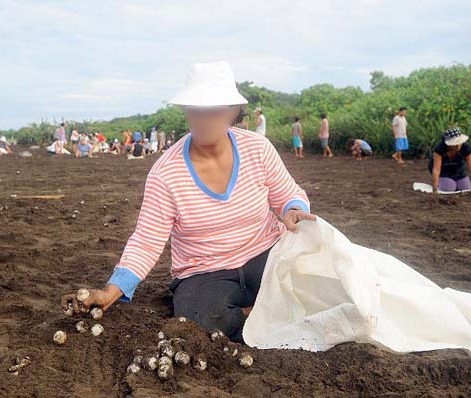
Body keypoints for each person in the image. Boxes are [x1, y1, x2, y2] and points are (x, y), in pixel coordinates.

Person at [61, 61, 314, 343]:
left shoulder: (257, 149)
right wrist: (111, 291)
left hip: (265, 254)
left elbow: (287, 194)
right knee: (197, 320)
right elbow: (146, 240)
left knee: (316, 281)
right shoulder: (166, 173)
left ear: (232, 110)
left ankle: (251, 314)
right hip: (205, 272)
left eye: (214, 109)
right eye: (195, 110)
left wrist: (294, 210)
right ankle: (264, 311)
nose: (203, 119)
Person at [428, 128, 470, 192]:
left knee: (465, 188)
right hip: (443, 171)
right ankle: (440, 182)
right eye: (455, 144)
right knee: (449, 188)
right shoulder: (440, 149)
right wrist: (434, 189)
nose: (457, 146)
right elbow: (436, 170)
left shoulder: (466, 148)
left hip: (458, 169)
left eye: (459, 143)